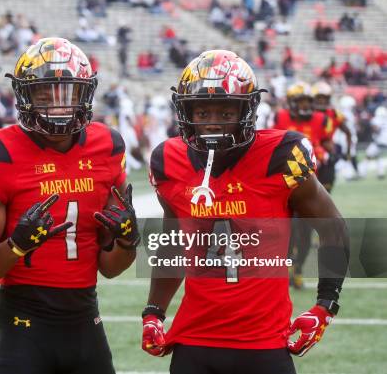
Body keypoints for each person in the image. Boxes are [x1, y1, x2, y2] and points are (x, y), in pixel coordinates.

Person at [142, 50, 348, 373]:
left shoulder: (281, 156)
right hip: (194, 343)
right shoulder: (169, 161)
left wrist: (325, 306)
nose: (212, 122)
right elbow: (174, 242)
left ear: (248, 110)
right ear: (186, 112)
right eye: (202, 111)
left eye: (226, 113)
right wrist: (154, 312)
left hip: (264, 344)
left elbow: (333, 227)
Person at [0, 37, 139, 374]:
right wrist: (17, 246)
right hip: (23, 317)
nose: (58, 106)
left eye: (68, 94)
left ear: (85, 95)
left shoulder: (108, 144)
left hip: (85, 314)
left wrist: (129, 240)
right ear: (24, 97)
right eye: (45, 95)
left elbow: (111, 267)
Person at [274, 81, 331, 289]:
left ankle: (297, 269)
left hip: (309, 183)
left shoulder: (321, 119)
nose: (306, 105)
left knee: (306, 233)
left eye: (308, 101)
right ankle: (287, 267)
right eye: (301, 101)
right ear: (291, 102)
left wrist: (326, 153)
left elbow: (327, 143)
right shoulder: (280, 118)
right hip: (286, 184)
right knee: (287, 231)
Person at [311, 81, 352, 192]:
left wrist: (348, 152)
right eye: (319, 97)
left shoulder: (333, 114)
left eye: (324, 98)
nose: (321, 101)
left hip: (327, 154)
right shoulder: (307, 113)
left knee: (326, 189)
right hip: (309, 153)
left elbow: (348, 132)